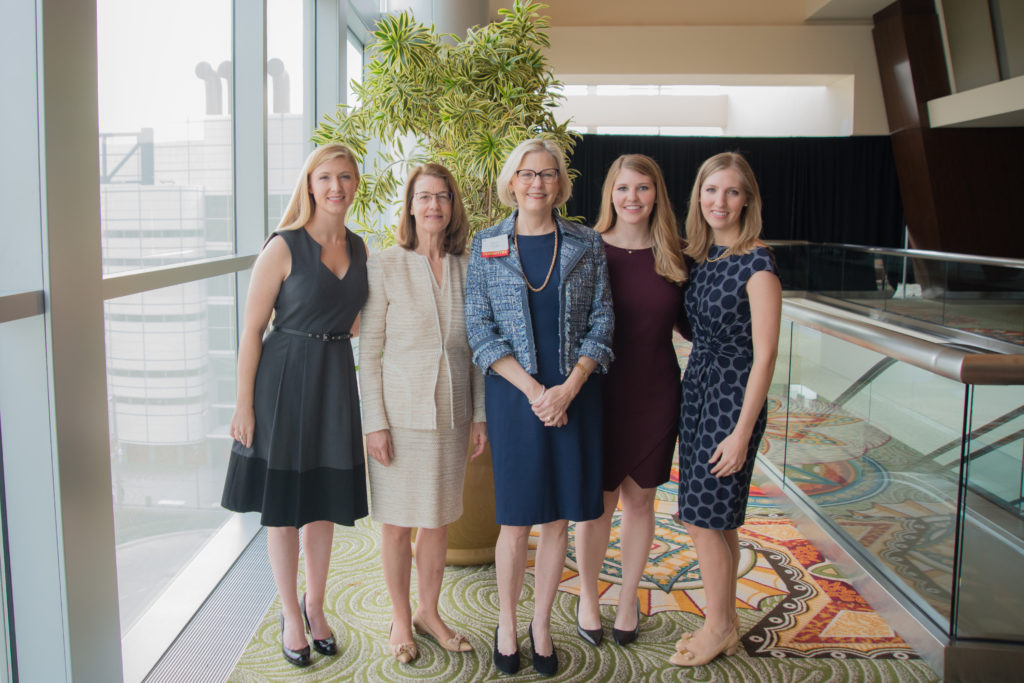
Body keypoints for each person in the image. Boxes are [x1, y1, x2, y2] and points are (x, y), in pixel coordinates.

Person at [465, 138, 614, 677]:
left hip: (575, 397)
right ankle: (508, 622)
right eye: (527, 174)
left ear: (561, 183)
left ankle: (542, 623)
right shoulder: (486, 245)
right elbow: (479, 330)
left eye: (548, 174)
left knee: (557, 521)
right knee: (517, 519)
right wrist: (535, 393)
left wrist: (569, 387)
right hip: (516, 400)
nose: (537, 183)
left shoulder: (586, 243)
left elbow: (603, 322)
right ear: (511, 181)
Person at [221, 143, 369, 667]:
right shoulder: (283, 246)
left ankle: (316, 603)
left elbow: (355, 321)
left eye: (345, 177)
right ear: (309, 185)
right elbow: (251, 330)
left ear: (356, 184)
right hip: (281, 380)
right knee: (284, 511)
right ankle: (289, 612)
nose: (335, 187)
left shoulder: (361, 247)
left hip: (333, 379)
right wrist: (244, 405)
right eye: (325, 177)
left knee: (324, 505)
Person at [359, 163, 488, 664]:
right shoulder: (385, 264)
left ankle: (429, 612)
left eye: (442, 196)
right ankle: (399, 616)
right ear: (410, 206)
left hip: (452, 416)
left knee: (437, 523)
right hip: (398, 417)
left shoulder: (468, 265)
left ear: (452, 207)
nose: (433, 205)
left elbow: (478, 349)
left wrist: (479, 415)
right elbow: (369, 353)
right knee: (396, 525)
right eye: (424, 196)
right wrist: (374, 422)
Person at [669, 152, 781, 667]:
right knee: (720, 519)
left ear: (747, 200)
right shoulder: (705, 257)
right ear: (698, 196)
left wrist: (740, 433)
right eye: (711, 190)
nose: (720, 201)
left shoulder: (757, 263)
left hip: (733, 399)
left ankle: (716, 627)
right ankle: (727, 621)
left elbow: (765, 357)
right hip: (699, 390)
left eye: (732, 192)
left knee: (701, 518)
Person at [574, 154, 688, 647]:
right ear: (610, 194)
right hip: (599, 391)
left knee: (641, 499)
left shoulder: (676, 256)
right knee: (597, 503)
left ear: (656, 193)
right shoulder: (588, 248)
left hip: (656, 390)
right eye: (623, 188)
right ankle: (586, 595)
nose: (632, 198)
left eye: (642, 188)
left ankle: (627, 599)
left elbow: (697, 324)